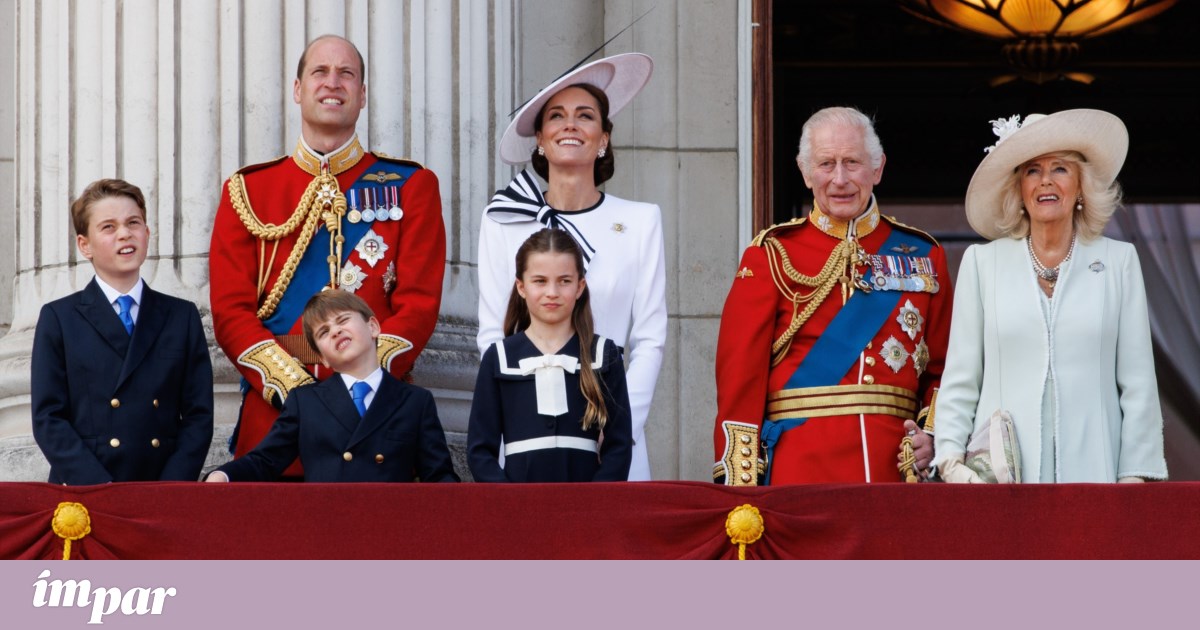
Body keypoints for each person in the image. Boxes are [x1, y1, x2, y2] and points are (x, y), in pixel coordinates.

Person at [209, 35, 445, 477]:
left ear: (362, 95)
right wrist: (299, 391)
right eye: (320, 72)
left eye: (346, 74)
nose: (332, 83)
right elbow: (230, 312)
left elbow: (419, 306)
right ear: (298, 89)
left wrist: (359, 382)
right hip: (274, 414)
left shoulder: (412, 186)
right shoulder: (248, 190)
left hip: (375, 417)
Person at [712, 106, 952, 485]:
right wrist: (742, 483)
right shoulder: (772, 253)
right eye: (826, 164)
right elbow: (739, 377)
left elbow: (944, 368)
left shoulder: (923, 254)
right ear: (805, 172)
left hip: (894, 468)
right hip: (798, 466)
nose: (839, 179)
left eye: (852, 162)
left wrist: (936, 437)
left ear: (878, 168)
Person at [933, 109, 1167, 483]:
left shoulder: (1118, 261)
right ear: (1019, 189)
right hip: (1000, 484)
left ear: (1080, 186)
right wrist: (950, 459)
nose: (1045, 181)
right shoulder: (982, 263)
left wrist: (1132, 479)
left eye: (1059, 169)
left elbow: (1138, 384)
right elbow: (962, 377)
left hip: (1096, 477)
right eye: (1032, 170)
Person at [479, 53, 664, 481]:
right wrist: (519, 415)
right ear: (539, 139)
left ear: (603, 138)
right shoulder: (503, 219)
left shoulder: (641, 220)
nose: (570, 125)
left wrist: (618, 426)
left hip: (612, 438)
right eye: (557, 116)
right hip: (527, 436)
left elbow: (650, 339)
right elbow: (493, 333)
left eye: (585, 116)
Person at [32, 179, 214, 484]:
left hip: (162, 491)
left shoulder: (181, 316)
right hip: (86, 492)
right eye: (108, 227)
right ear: (84, 245)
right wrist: (99, 489)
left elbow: (199, 415)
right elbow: (48, 418)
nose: (124, 233)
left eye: (133, 223)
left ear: (147, 233)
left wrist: (170, 488)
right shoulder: (59, 318)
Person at [206, 290, 458, 483]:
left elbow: (438, 475)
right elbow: (266, 460)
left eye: (343, 321)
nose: (336, 331)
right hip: (326, 527)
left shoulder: (415, 401)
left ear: (373, 327)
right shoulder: (305, 403)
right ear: (323, 358)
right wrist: (223, 475)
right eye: (324, 332)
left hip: (392, 528)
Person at [468, 228, 633, 482]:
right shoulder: (499, 357)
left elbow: (618, 446)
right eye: (540, 281)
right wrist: (508, 501)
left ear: (580, 287)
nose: (552, 292)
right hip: (519, 510)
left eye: (564, 281)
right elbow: (480, 451)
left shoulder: (603, 355)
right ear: (521, 287)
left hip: (587, 510)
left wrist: (597, 504)